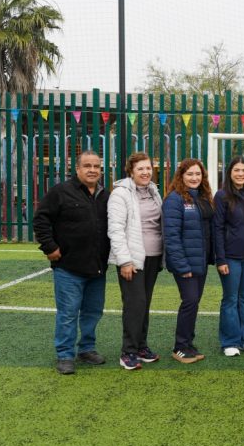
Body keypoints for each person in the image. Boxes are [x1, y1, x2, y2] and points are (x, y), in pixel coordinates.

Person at [33, 151, 111, 375]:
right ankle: (65, 355)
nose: (93, 170)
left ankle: (86, 349)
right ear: (77, 169)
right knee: (68, 313)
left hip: (97, 267)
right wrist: (50, 247)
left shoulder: (105, 195)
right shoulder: (61, 192)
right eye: (87, 165)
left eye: (97, 166)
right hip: (68, 267)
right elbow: (41, 219)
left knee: (93, 312)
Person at [108, 151, 164, 371]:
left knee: (145, 304)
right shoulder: (120, 194)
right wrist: (124, 261)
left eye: (148, 168)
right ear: (131, 171)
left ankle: (141, 346)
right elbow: (116, 229)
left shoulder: (153, 191)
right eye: (140, 168)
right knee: (135, 304)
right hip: (132, 260)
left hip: (153, 257)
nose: (145, 172)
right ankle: (128, 352)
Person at [162, 158, 215, 364]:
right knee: (190, 301)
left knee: (193, 302)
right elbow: (172, 236)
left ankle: (188, 343)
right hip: (185, 264)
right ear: (181, 176)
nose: (194, 178)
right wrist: (182, 266)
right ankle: (180, 347)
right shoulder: (174, 199)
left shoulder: (202, 197)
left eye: (198, 174)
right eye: (190, 174)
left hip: (200, 262)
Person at [213, 157, 244, 357]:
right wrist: (221, 259)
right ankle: (229, 342)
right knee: (230, 299)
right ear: (230, 173)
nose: (241, 174)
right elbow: (217, 228)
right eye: (237, 170)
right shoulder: (222, 195)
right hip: (230, 257)